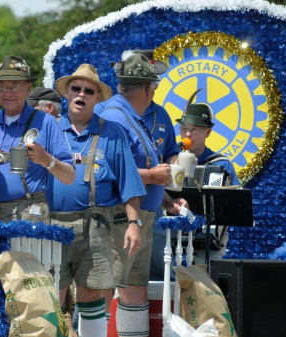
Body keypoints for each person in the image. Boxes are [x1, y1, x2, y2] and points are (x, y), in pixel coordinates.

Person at [0, 55, 76, 328]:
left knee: (26, 291)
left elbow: (70, 175)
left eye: (15, 85)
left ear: (28, 88)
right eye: (2, 86)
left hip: (28, 213)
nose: (7, 92)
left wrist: (47, 160)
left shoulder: (46, 123)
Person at [48, 64, 145, 337]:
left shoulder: (113, 133)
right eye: (76, 88)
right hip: (52, 224)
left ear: (97, 98)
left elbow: (129, 184)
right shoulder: (50, 129)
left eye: (88, 91)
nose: (81, 94)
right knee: (53, 295)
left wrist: (134, 224)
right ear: (66, 93)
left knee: (91, 295)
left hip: (96, 225)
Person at [94, 53, 187, 337]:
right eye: (154, 86)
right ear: (147, 88)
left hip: (141, 216)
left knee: (134, 287)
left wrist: (166, 199)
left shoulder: (131, 115)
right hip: (121, 219)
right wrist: (152, 177)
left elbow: (145, 165)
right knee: (103, 288)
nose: (154, 91)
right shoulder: (113, 117)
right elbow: (104, 169)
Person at [175, 95, 240, 264]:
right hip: (170, 238)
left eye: (195, 129)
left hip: (208, 245)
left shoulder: (221, 163)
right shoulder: (169, 157)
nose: (188, 134)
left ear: (208, 132)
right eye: (183, 128)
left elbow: (237, 201)